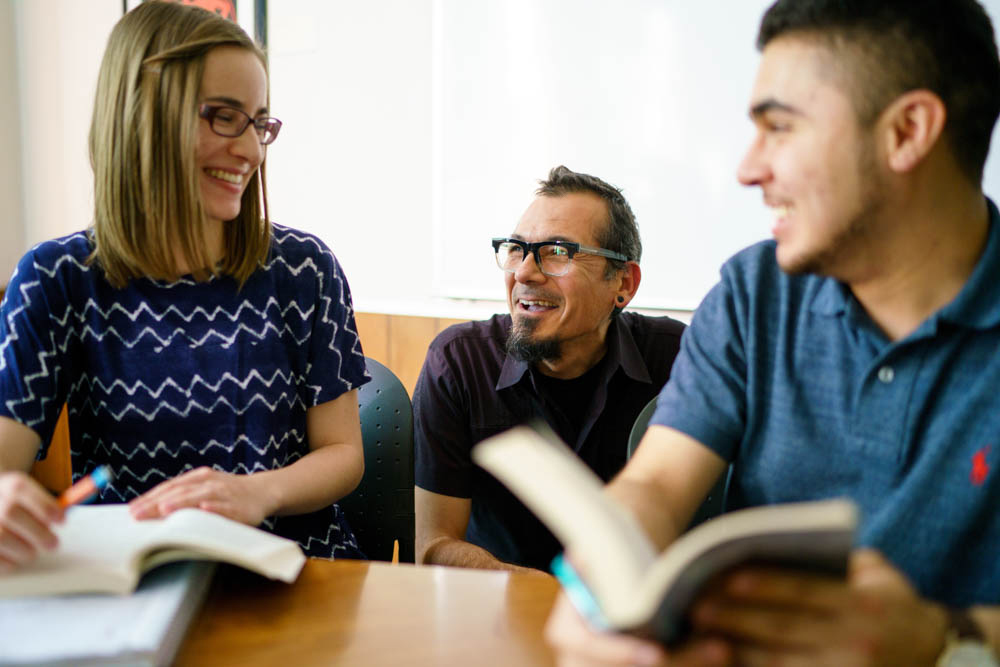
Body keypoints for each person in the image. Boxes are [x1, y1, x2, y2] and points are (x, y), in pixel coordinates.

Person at [545, 0, 1000, 664]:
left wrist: (943, 637)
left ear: (907, 132)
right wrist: (604, 567)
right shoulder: (753, 294)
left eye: (779, 128)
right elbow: (656, 484)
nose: (747, 169)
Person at [0, 1, 369, 570]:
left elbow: (344, 454)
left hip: (293, 570)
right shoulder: (57, 279)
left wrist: (257, 492)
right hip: (134, 577)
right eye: (223, 116)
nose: (250, 150)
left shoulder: (304, 269)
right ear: (142, 117)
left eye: (258, 122)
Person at [413, 166, 686, 573]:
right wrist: (539, 593)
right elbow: (432, 545)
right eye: (516, 249)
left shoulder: (678, 361)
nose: (524, 272)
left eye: (559, 252)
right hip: (494, 611)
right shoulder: (459, 363)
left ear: (624, 283)